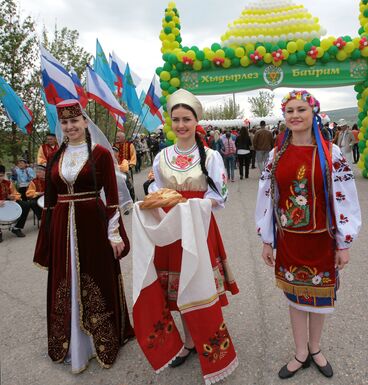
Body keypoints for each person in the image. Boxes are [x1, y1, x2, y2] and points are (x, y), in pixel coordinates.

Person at [256, 90, 361, 380]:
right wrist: (267, 239)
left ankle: (315, 348)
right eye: (290, 111)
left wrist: (344, 243)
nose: (295, 116)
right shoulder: (277, 155)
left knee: (320, 297)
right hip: (290, 240)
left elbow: (345, 199)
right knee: (295, 298)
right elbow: (267, 198)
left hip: (321, 239)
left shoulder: (331, 153)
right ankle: (300, 351)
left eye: (301, 109)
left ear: (313, 113)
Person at [134, 89, 238, 380]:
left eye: (186, 119)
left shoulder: (212, 156)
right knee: (175, 286)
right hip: (170, 228)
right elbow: (154, 189)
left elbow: (221, 195)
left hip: (199, 227)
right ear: (170, 122)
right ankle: (189, 341)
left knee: (199, 282)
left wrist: (194, 205)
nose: (181, 125)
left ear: (196, 121)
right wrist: (155, 202)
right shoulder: (162, 156)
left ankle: (205, 334)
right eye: (176, 119)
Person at [33, 99, 134, 373]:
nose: (70, 127)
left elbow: (112, 198)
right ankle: (72, 344)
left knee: (96, 276)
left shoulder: (100, 153)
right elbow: (51, 202)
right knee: (66, 281)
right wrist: (47, 238)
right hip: (62, 229)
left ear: (85, 122)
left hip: (93, 224)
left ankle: (100, 339)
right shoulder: (56, 156)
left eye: (74, 121)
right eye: (65, 123)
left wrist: (115, 234)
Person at [0, 164, 23, 241]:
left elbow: (16, 194)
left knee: (25, 205)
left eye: (1, 176)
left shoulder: (8, 183)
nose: (0, 178)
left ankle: (16, 227)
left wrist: (12, 197)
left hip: (7, 202)